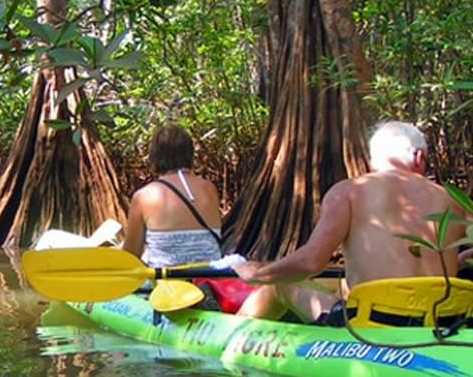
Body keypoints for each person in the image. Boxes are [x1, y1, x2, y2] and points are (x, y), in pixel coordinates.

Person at [232, 121, 468, 324]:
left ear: (375, 160)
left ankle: (226, 336)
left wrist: (256, 273)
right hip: (443, 321)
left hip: (373, 323)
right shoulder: (453, 200)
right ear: (419, 157)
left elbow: (310, 262)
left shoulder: (350, 192)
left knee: (280, 285)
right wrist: (457, 259)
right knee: (338, 284)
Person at [122, 124, 222, 267]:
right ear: (189, 153)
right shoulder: (209, 188)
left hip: (167, 285)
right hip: (209, 280)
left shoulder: (144, 196)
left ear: (154, 156)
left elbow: (131, 256)